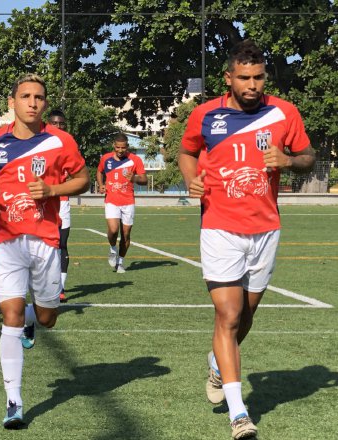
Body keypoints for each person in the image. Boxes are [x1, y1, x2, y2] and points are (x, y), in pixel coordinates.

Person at [179, 39, 315, 440]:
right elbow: (187, 152)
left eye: (258, 77)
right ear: (229, 78)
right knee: (229, 315)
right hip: (219, 227)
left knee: (246, 318)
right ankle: (239, 414)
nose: (252, 84)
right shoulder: (205, 116)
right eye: (244, 78)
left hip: (266, 229)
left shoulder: (284, 112)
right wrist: (191, 179)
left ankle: (218, 363)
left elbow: (308, 156)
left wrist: (288, 160)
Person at [0, 74, 90, 428]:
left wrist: (53, 189)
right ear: (12, 103)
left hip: (45, 240)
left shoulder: (60, 140)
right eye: (25, 96)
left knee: (47, 318)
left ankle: (30, 321)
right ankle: (14, 401)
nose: (33, 102)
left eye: (39, 97)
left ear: (45, 103)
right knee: (7, 315)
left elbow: (83, 178)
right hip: (5, 238)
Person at [96, 132, 147, 273]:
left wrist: (134, 178)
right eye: (117, 147)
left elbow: (144, 180)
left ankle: (121, 262)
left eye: (123, 148)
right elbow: (99, 172)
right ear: (114, 145)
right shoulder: (106, 158)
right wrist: (101, 185)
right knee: (113, 230)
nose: (120, 150)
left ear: (127, 147)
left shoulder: (135, 160)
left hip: (128, 201)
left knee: (126, 234)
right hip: (111, 199)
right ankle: (112, 249)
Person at [47, 109, 71, 302]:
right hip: (43, 202)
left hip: (62, 201)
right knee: (44, 245)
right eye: (54, 123)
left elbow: (78, 173)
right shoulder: (39, 141)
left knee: (62, 243)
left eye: (61, 124)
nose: (58, 127)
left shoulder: (69, 144)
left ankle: (60, 287)